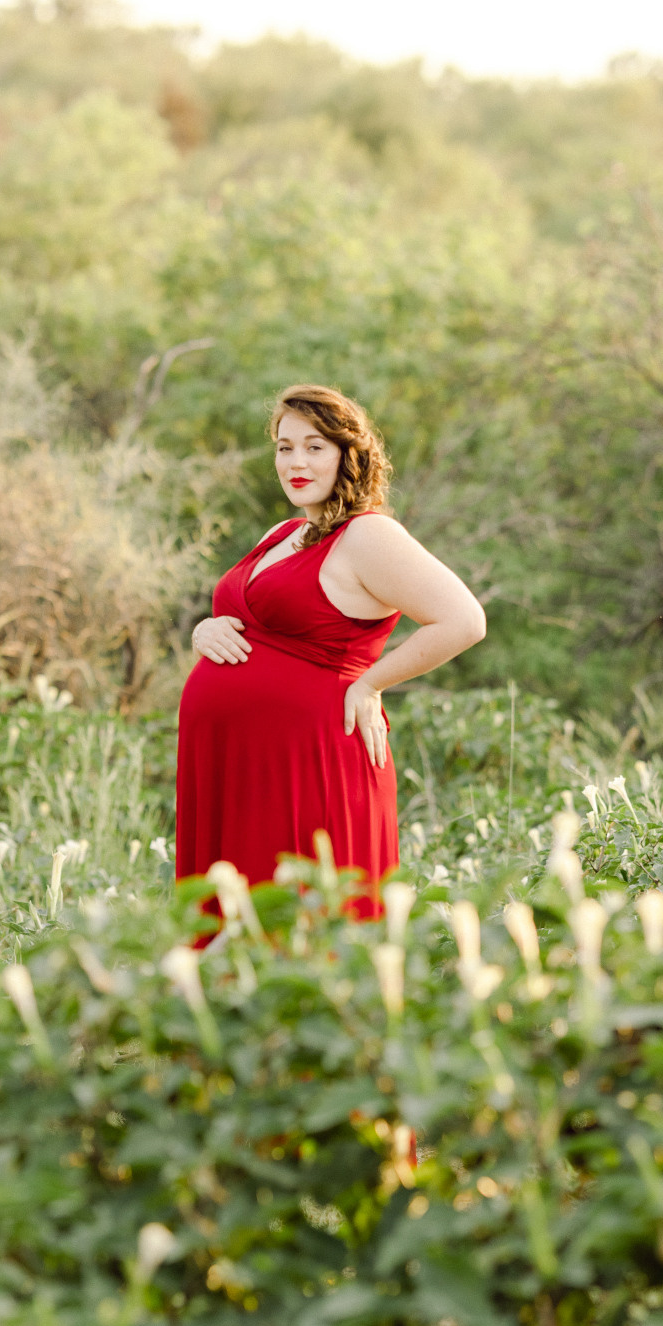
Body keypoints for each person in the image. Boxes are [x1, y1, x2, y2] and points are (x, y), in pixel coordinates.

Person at [176, 383, 487, 927]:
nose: (296, 462)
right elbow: (248, 620)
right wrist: (206, 629)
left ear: (348, 454)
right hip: (238, 767)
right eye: (285, 447)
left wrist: (371, 682)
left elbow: (464, 620)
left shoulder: (368, 535)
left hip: (310, 762)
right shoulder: (283, 533)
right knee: (233, 925)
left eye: (315, 447)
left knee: (305, 919)